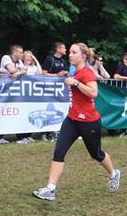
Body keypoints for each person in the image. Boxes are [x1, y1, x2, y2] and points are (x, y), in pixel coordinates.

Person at [33, 43, 122, 201]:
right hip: (72, 119)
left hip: (89, 122)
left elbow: (94, 93)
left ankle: (114, 174)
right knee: (59, 151)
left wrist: (76, 83)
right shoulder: (75, 70)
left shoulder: (87, 72)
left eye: (74, 52)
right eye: (70, 52)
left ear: (83, 56)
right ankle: (50, 189)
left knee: (97, 154)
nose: (70, 55)